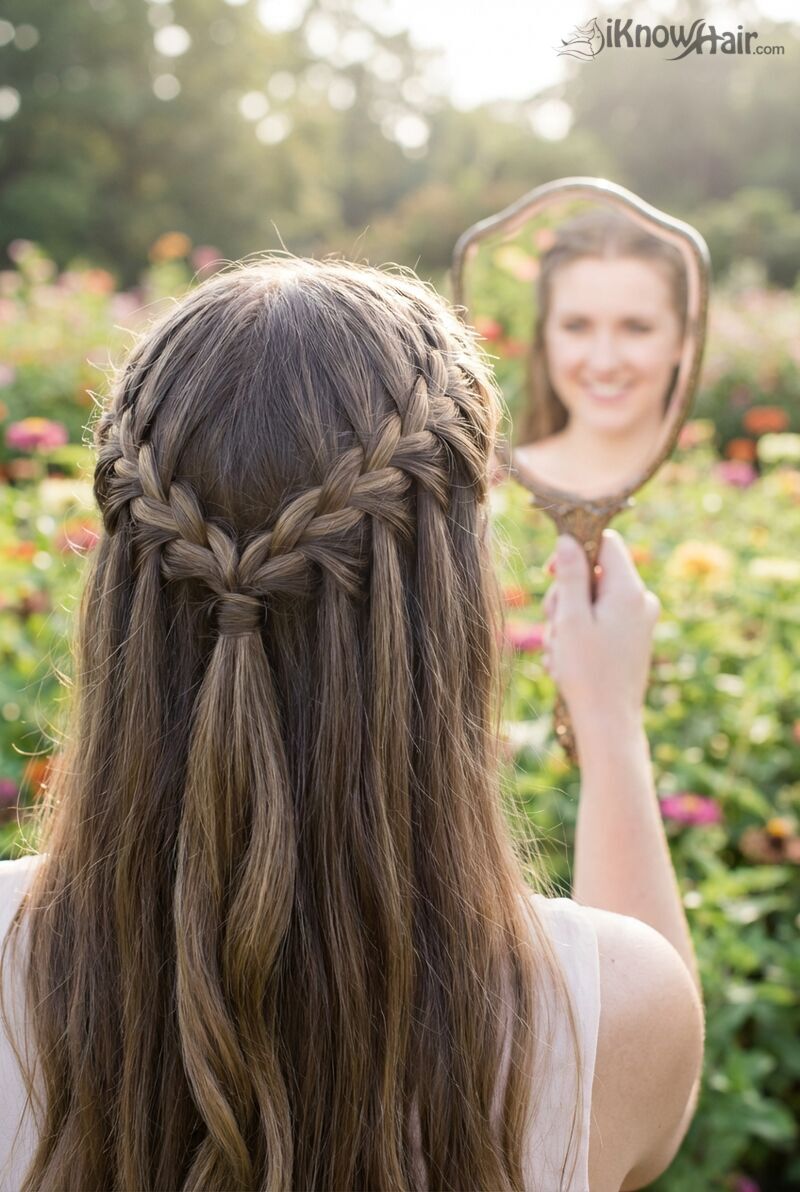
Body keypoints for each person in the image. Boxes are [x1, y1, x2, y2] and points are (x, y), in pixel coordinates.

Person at [0, 257, 703, 1192]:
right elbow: (651, 1069)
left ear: (120, 579)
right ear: (448, 590)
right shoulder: (613, 1019)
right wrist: (611, 725)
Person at [513, 210, 688, 499]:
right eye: (576, 327)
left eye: (636, 328)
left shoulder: (740, 496)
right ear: (545, 335)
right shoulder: (488, 494)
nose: (604, 362)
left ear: (683, 339)